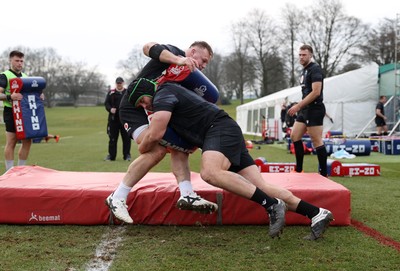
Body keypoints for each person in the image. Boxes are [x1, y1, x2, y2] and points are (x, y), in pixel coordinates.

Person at [129, 69, 334, 240]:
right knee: (262, 186)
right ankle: (316, 213)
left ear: (149, 92)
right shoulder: (167, 94)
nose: (145, 107)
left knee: (210, 173)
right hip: (224, 130)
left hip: (218, 129)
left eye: (143, 101)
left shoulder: (162, 94)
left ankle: (272, 205)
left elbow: (155, 134)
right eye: (141, 106)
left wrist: (141, 146)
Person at [105, 42, 219, 219]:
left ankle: (187, 194)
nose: (204, 65)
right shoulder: (175, 54)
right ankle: (117, 197)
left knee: (181, 145)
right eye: (203, 60)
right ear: (193, 51)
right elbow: (147, 47)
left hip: (158, 107)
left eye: (207, 63)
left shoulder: (192, 77)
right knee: (156, 150)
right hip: (134, 105)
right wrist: (178, 60)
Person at [288, 45, 328, 177]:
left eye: (304, 55)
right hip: (305, 109)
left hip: (315, 108)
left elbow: (316, 92)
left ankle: (324, 173)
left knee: (316, 140)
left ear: (310, 55)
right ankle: (299, 170)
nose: (301, 57)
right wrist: (300, 107)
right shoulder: (303, 71)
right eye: (299, 55)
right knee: (295, 136)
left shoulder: (315, 69)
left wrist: (298, 106)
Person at [0, 50, 32, 171]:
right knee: (12, 141)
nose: (19, 63)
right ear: (10, 61)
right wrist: (10, 97)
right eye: (17, 60)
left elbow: (29, 94)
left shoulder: (26, 77)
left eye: (21, 61)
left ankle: (21, 171)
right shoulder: (5, 76)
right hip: (11, 112)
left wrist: (39, 96)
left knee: (28, 141)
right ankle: (9, 172)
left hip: (24, 112)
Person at [104, 77, 131, 161]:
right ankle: (111, 156)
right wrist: (110, 109)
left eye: (120, 83)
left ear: (123, 83)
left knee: (126, 139)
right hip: (113, 120)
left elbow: (131, 103)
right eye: (118, 83)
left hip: (124, 119)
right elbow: (106, 104)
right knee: (112, 139)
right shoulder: (111, 93)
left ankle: (127, 155)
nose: (119, 85)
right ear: (116, 84)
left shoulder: (127, 92)